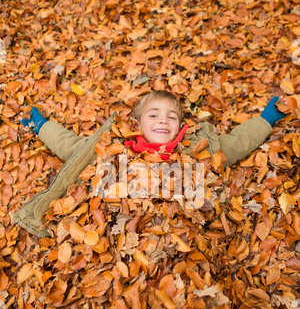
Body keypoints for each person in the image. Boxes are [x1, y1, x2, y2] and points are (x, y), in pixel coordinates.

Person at [13, 90, 286, 237]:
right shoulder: (115, 149)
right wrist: (42, 126)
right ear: (137, 125)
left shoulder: (197, 147)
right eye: (153, 115)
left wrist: (267, 118)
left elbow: (238, 141)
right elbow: (71, 148)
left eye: (170, 117)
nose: (163, 121)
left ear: (181, 125)